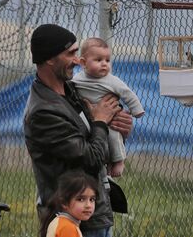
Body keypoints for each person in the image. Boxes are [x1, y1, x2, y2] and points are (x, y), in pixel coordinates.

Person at [23, 24, 133, 237]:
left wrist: (118, 131)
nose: (77, 60)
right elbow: (90, 157)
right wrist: (101, 121)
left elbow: (96, 142)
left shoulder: (72, 91)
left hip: (93, 212)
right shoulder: (43, 112)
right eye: (71, 53)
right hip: (71, 221)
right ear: (49, 59)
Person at [72, 37, 145, 177]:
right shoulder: (77, 79)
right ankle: (106, 164)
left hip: (110, 118)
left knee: (113, 135)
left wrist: (137, 110)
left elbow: (127, 94)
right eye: (98, 60)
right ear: (83, 63)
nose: (104, 64)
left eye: (107, 60)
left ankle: (118, 161)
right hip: (87, 119)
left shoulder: (111, 80)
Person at [40, 170, 99, 237]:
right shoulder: (67, 228)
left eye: (92, 199)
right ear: (64, 203)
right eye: (80, 199)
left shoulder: (62, 222)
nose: (88, 205)